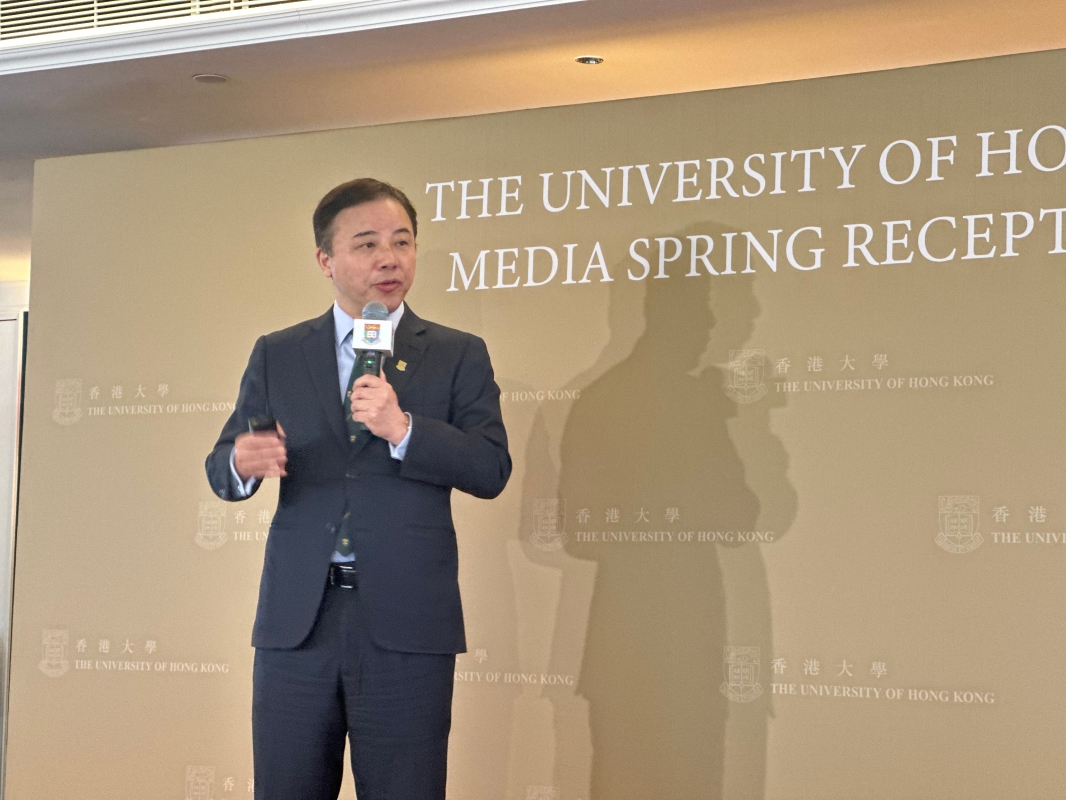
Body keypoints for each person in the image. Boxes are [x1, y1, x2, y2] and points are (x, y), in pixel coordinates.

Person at [204, 178, 511, 800]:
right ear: (326, 260)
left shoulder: (457, 354)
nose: (389, 259)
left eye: (402, 242)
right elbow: (222, 466)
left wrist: (405, 429)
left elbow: (490, 468)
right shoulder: (279, 353)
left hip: (407, 623)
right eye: (368, 244)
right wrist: (241, 461)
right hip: (299, 622)